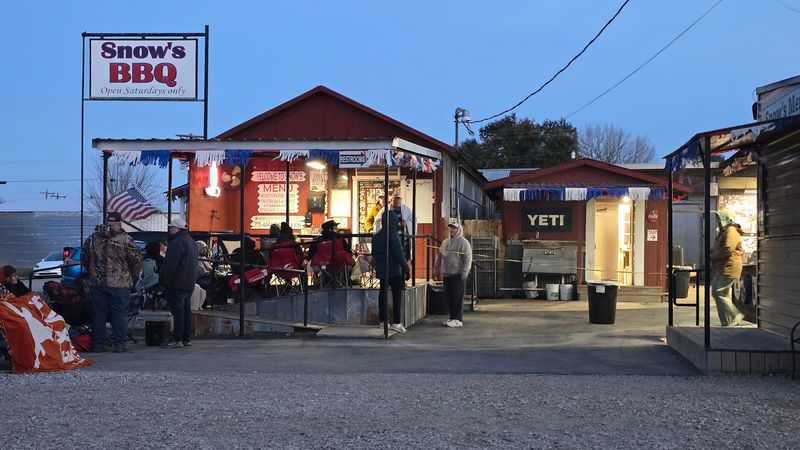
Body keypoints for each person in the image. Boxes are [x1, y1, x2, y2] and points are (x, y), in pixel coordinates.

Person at [80, 211, 142, 353]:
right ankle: (119, 344)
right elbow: (137, 260)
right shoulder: (126, 239)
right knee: (119, 314)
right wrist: (131, 275)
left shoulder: (93, 238)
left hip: (97, 283)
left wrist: (93, 272)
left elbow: (84, 257)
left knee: (99, 314)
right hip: (120, 283)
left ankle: (98, 344)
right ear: (119, 223)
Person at [159, 218, 198, 348]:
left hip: (177, 283)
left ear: (177, 228)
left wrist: (164, 281)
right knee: (186, 311)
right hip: (189, 282)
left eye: (171, 227)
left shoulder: (176, 243)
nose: (169, 230)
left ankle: (178, 339)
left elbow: (170, 265)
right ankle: (186, 338)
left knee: (178, 312)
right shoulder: (191, 242)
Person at [371, 210, 410, 333]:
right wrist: (406, 268)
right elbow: (399, 253)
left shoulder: (376, 237)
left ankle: (383, 321)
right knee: (396, 295)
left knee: (383, 294)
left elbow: (374, 254)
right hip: (394, 270)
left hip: (382, 269)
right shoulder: (394, 235)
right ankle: (397, 322)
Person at [710, 209, 745, 327]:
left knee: (718, 292)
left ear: (726, 219)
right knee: (722, 294)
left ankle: (735, 315)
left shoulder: (731, 232)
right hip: (723, 267)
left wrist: (713, 256)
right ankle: (727, 323)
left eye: (719, 219)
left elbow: (727, 249)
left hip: (728, 268)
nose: (718, 222)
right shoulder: (725, 232)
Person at [434, 221, 472, 328]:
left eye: (454, 228)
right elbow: (439, 257)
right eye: (450, 228)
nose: (451, 230)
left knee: (457, 298)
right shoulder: (445, 242)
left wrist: (465, 272)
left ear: (458, 229)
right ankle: (452, 317)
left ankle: (458, 319)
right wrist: (435, 269)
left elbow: (467, 258)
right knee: (449, 297)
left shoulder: (464, 243)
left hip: (458, 274)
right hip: (447, 274)